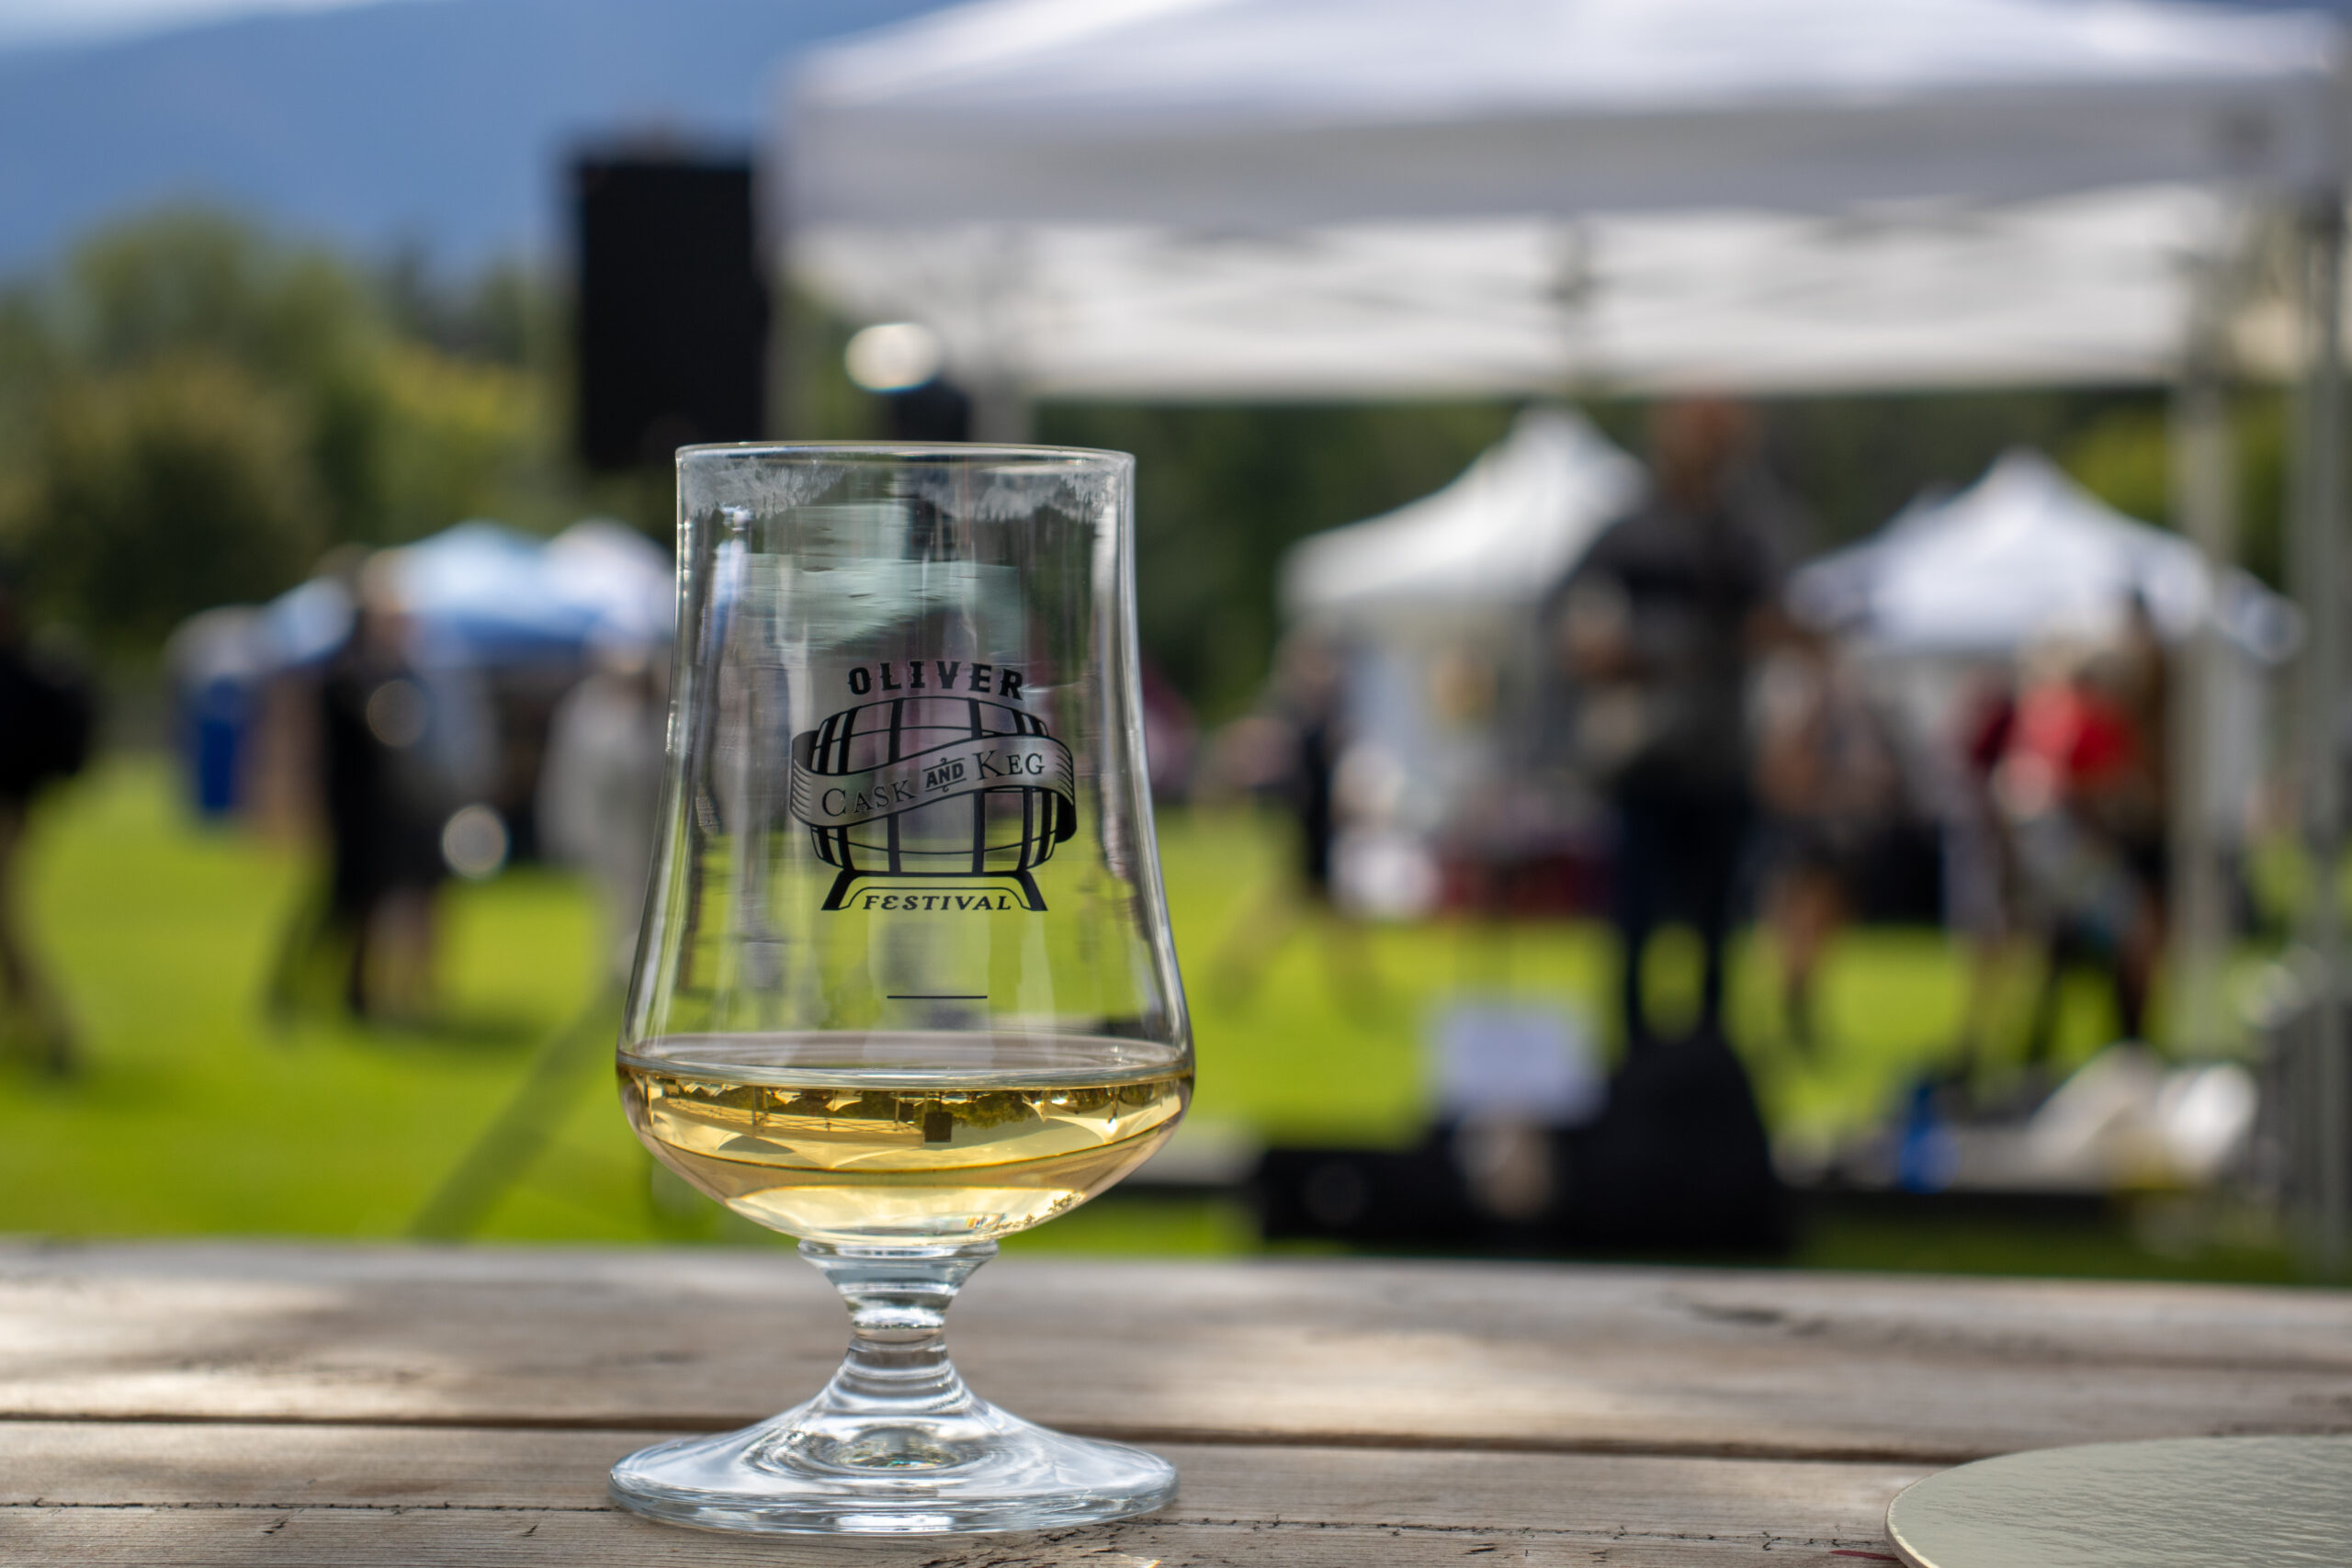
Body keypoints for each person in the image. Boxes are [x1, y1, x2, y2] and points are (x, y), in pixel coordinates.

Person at [1557, 397, 1789, 1048]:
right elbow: (1570, 621)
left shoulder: (1743, 535)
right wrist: (1604, 649)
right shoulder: (1629, 533)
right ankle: (1633, 1070)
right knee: (1634, 930)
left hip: (1716, 761)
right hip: (1643, 761)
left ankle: (1705, 1071)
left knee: (1714, 934)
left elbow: (1775, 621)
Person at [537, 637, 670, 985]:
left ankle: (644, 963)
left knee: (648, 896)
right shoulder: (588, 710)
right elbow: (576, 776)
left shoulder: (657, 714)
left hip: (646, 826)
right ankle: (621, 964)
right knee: (614, 900)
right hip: (609, 827)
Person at [0, 582, 93, 1073]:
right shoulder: (23, 674)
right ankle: (37, 1027)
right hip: (17, 810)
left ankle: (53, 1030)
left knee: (8, 926)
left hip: (9, 812)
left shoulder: (18, 678)